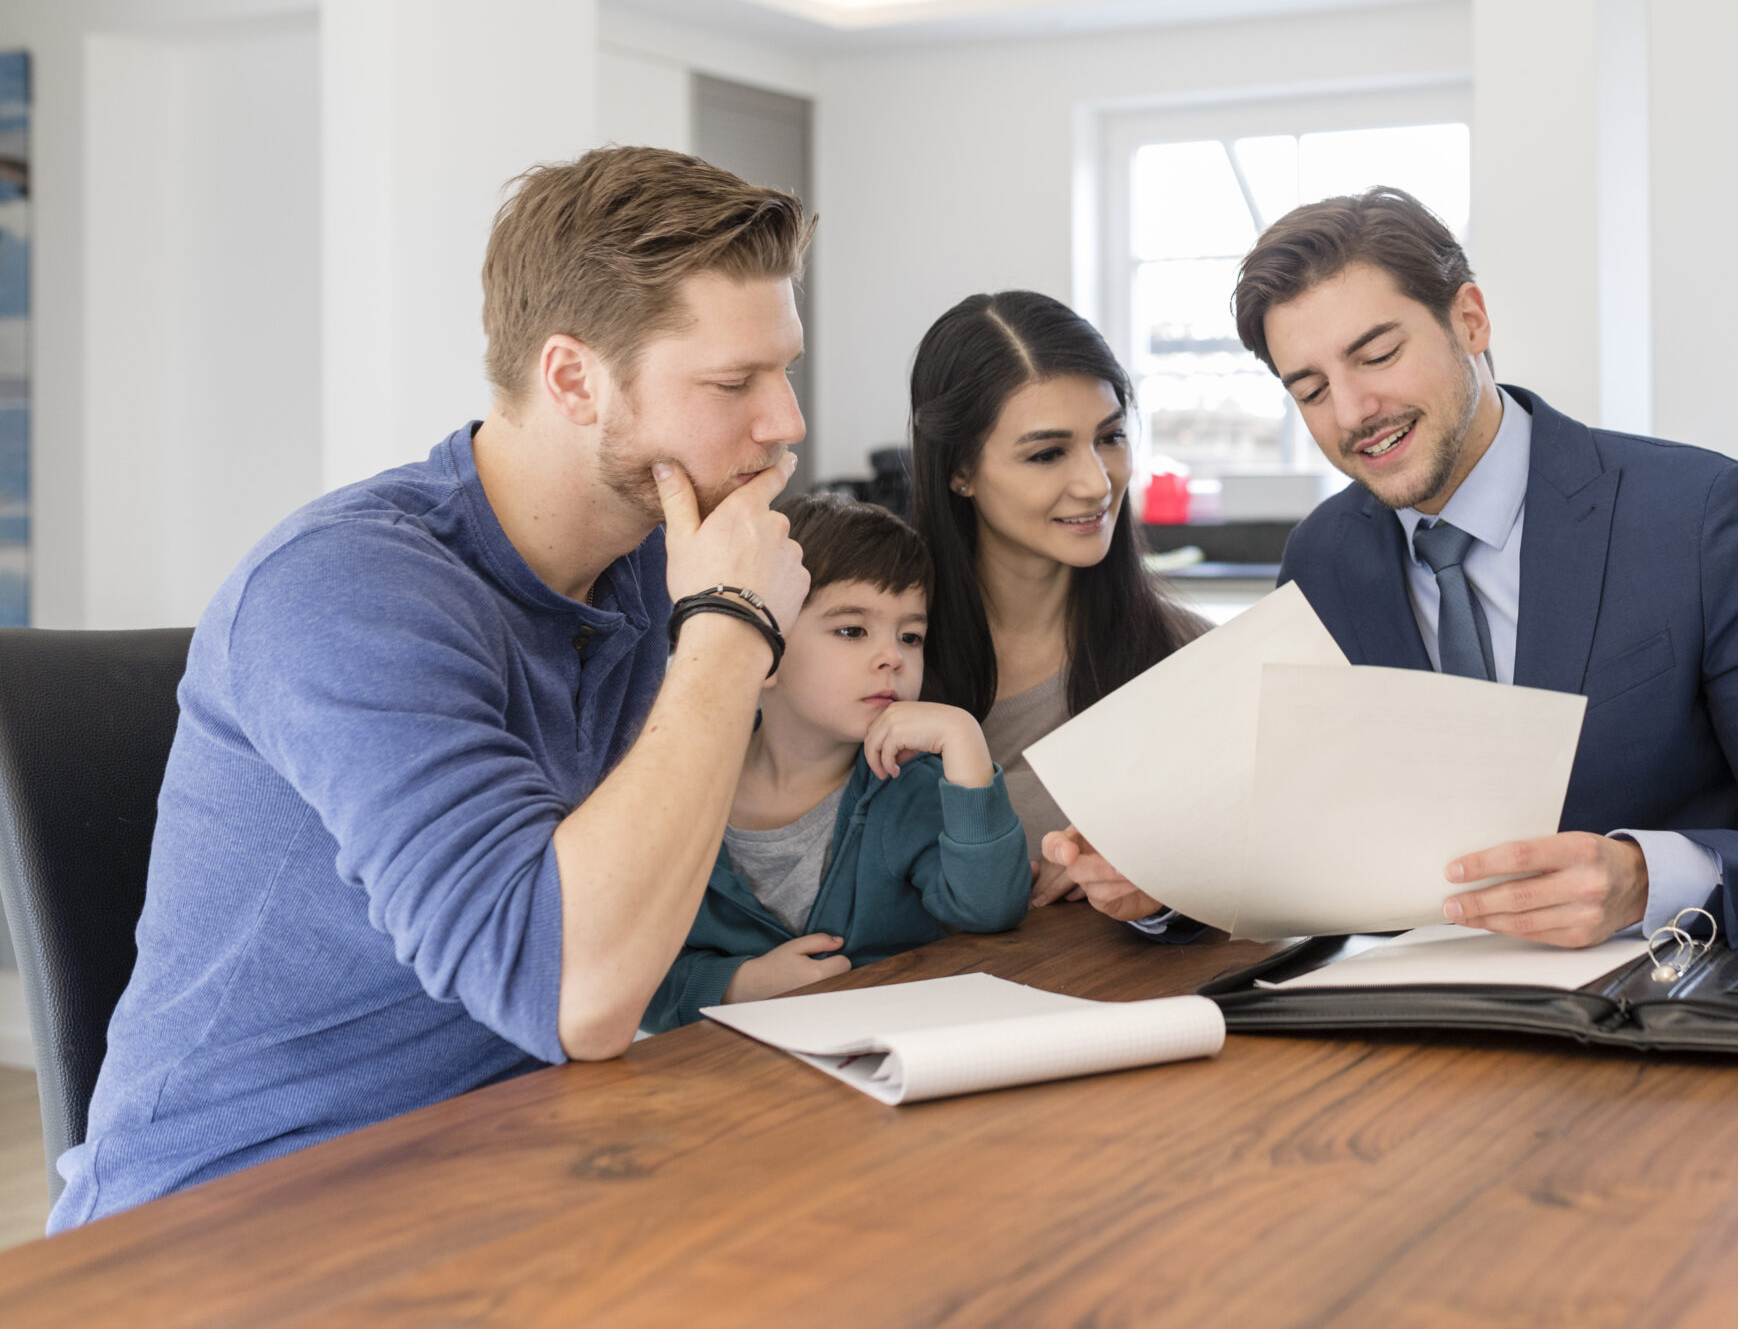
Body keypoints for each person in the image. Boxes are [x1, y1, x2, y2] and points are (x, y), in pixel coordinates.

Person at [52, 146, 815, 1229]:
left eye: (785, 370)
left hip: (498, 1161)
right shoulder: (345, 590)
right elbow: (573, 992)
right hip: (225, 1221)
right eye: (733, 383)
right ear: (571, 378)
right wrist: (731, 633)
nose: (784, 421)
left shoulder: (658, 560)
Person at [1052, 188, 1738, 947]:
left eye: (1378, 353)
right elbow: (1302, 847)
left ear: (1469, 318)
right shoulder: (1326, 557)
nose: (1355, 411)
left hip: (1669, 1026)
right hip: (1425, 1036)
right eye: (1311, 389)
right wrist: (1167, 878)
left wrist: (1644, 877)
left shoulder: (1703, 517)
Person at [642, 495, 1031, 1031]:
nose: (893, 656)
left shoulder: (910, 784)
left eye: (911, 636)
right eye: (852, 630)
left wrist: (965, 743)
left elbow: (990, 910)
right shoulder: (674, 790)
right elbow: (635, 972)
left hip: (883, 1061)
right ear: (763, 649)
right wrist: (739, 986)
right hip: (726, 1081)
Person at [904, 291, 1206, 916]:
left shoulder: (1189, 660)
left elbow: (1255, 890)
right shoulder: (874, 656)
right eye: (1047, 453)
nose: (1097, 482)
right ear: (959, 470)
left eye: (1111, 437)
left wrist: (1163, 891)